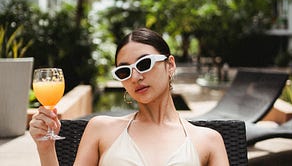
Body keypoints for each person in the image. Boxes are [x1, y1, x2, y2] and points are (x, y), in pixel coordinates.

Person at [29, 28, 229, 166]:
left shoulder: (209, 140)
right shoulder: (100, 129)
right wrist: (45, 148)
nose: (136, 77)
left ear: (170, 65)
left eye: (144, 64)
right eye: (124, 71)